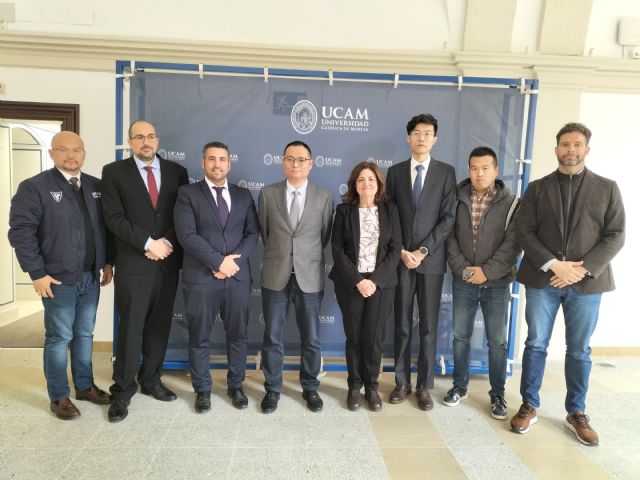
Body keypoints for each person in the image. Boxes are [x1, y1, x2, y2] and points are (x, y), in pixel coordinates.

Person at [510, 122, 625, 446]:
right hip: (542, 279)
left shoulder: (607, 188)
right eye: (565, 144)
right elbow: (524, 232)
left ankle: (576, 412)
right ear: (556, 149)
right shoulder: (537, 188)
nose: (570, 150)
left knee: (579, 349)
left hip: (586, 283)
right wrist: (554, 264)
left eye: (576, 145)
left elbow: (616, 235)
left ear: (586, 149)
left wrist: (581, 269)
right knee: (535, 344)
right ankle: (529, 404)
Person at [8, 131, 114, 419]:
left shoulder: (96, 186)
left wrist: (108, 262)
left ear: (84, 154)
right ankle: (59, 396)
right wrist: (37, 273)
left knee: (84, 334)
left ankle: (84, 387)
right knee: (59, 337)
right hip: (57, 280)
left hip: (90, 278)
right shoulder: (34, 187)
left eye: (77, 150)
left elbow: (105, 229)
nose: (71, 155)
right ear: (52, 153)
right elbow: (20, 232)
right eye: (63, 150)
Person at [101, 120, 189, 422]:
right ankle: (123, 389)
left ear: (158, 140)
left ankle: (151, 379)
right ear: (130, 142)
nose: (146, 142)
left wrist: (166, 243)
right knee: (130, 327)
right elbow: (113, 218)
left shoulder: (177, 172)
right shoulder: (113, 172)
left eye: (150, 136)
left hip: (167, 262)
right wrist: (149, 243)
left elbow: (183, 216)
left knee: (158, 326)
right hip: (134, 263)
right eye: (139, 137)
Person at [174, 141, 259, 413]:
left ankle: (236, 386)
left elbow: (252, 233)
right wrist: (218, 261)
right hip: (201, 279)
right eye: (211, 159)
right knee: (199, 337)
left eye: (222, 159)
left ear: (229, 164)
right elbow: (187, 235)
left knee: (239, 336)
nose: (217, 164)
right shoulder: (187, 194)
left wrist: (232, 264)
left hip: (237, 279)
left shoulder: (243, 195)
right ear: (203, 163)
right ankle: (202, 389)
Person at [443, 146, 521, 419]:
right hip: (464, 280)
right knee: (460, 337)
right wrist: (465, 270)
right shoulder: (456, 198)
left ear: (496, 170)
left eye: (485, 168)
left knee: (497, 341)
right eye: (474, 168)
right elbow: (449, 236)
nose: (479, 173)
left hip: (497, 283)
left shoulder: (512, 203)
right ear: (468, 170)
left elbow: (514, 244)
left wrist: (486, 272)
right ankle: (459, 386)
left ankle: (497, 393)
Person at [385, 113, 456, 410]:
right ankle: (401, 381)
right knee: (402, 324)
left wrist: (423, 250)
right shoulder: (395, 173)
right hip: (401, 261)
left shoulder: (446, 172)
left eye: (427, 133)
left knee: (428, 326)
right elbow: (390, 216)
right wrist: (402, 250)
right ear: (408, 137)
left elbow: (448, 217)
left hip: (431, 261)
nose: (422, 137)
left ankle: (424, 386)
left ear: (435, 139)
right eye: (417, 133)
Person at [258, 140, 334, 414]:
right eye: (290, 159)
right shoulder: (267, 194)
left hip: (309, 276)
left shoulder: (324, 197)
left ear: (310, 164)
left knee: (311, 338)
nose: (295, 164)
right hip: (275, 275)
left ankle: (310, 387)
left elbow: (324, 235)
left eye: (301, 160)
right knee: (272, 337)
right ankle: (272, 388)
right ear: (283, 162)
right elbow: (265, 232)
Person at [330, 162, 402, 411]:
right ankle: (354, 387)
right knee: (354, 338)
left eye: (371, 179)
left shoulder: (390, 210)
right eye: (361, 179)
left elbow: (395, 248)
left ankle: (371, 388)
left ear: (379, 184)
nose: (366, 184)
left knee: (374, 339)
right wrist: (359, 280)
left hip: (382, 285)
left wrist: (375, 280)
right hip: (351, 284)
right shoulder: (344, 211)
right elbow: (337, 249)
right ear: (354, 185)